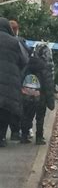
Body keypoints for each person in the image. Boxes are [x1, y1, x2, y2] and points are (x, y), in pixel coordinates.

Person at [0, 17, 29, 147]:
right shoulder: (14, 42)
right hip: (9, 81)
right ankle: (1, 137)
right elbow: (23, 60)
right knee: (5, 109)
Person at [20, 42, 55, 145]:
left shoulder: (29, 63)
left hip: (27, 94)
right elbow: (48, 85)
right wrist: (50, 102)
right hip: (41, 95)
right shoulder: (46, 66)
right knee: (40, 117)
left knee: (27, 115)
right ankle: (39, 137)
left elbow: (22, 77)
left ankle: (24, 136)